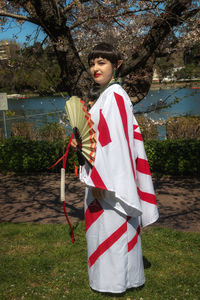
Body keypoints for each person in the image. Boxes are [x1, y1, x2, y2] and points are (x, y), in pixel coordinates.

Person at [71, 42, 159, 294]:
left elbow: (118, 145)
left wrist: (100, 181)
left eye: (102, 62)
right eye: (92, 63)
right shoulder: (107, 96)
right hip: (105, 177)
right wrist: (80, 146)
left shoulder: (114, 96)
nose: (95, 69)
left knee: (113, 230)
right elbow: (101, 141)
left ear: (116, 65)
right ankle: (117, 280)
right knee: (108, 230)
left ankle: (115, 282)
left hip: (109, 182)